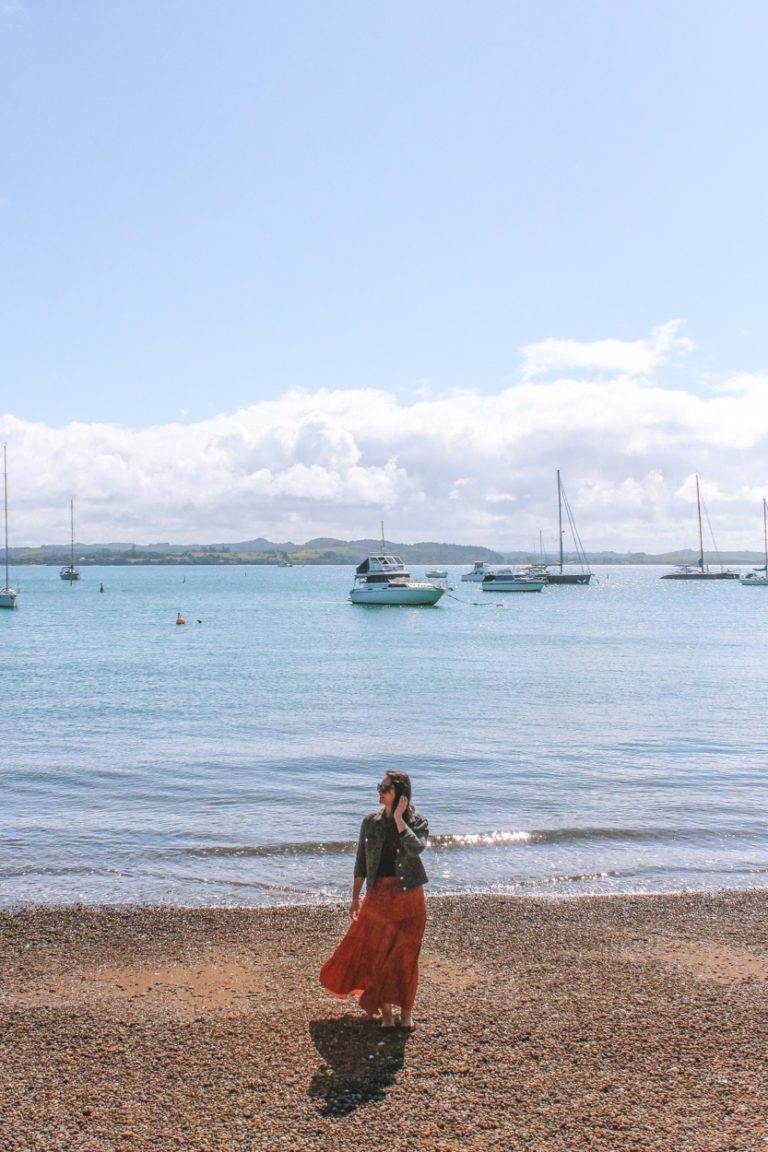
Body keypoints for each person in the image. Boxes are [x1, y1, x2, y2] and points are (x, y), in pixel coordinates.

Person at [319, 771, 428, 1029]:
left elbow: (416, 848)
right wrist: (355, 896)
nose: (379, 790)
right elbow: (361, 862)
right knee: (379, 952)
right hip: (378, 894)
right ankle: (387, 1013)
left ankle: (407, 1012)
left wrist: (400, 820)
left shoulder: (418, 821)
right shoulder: (370, 822)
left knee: (406, 954)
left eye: (385, 787)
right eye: (379, 786)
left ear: (399, 792)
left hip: (410, 895)